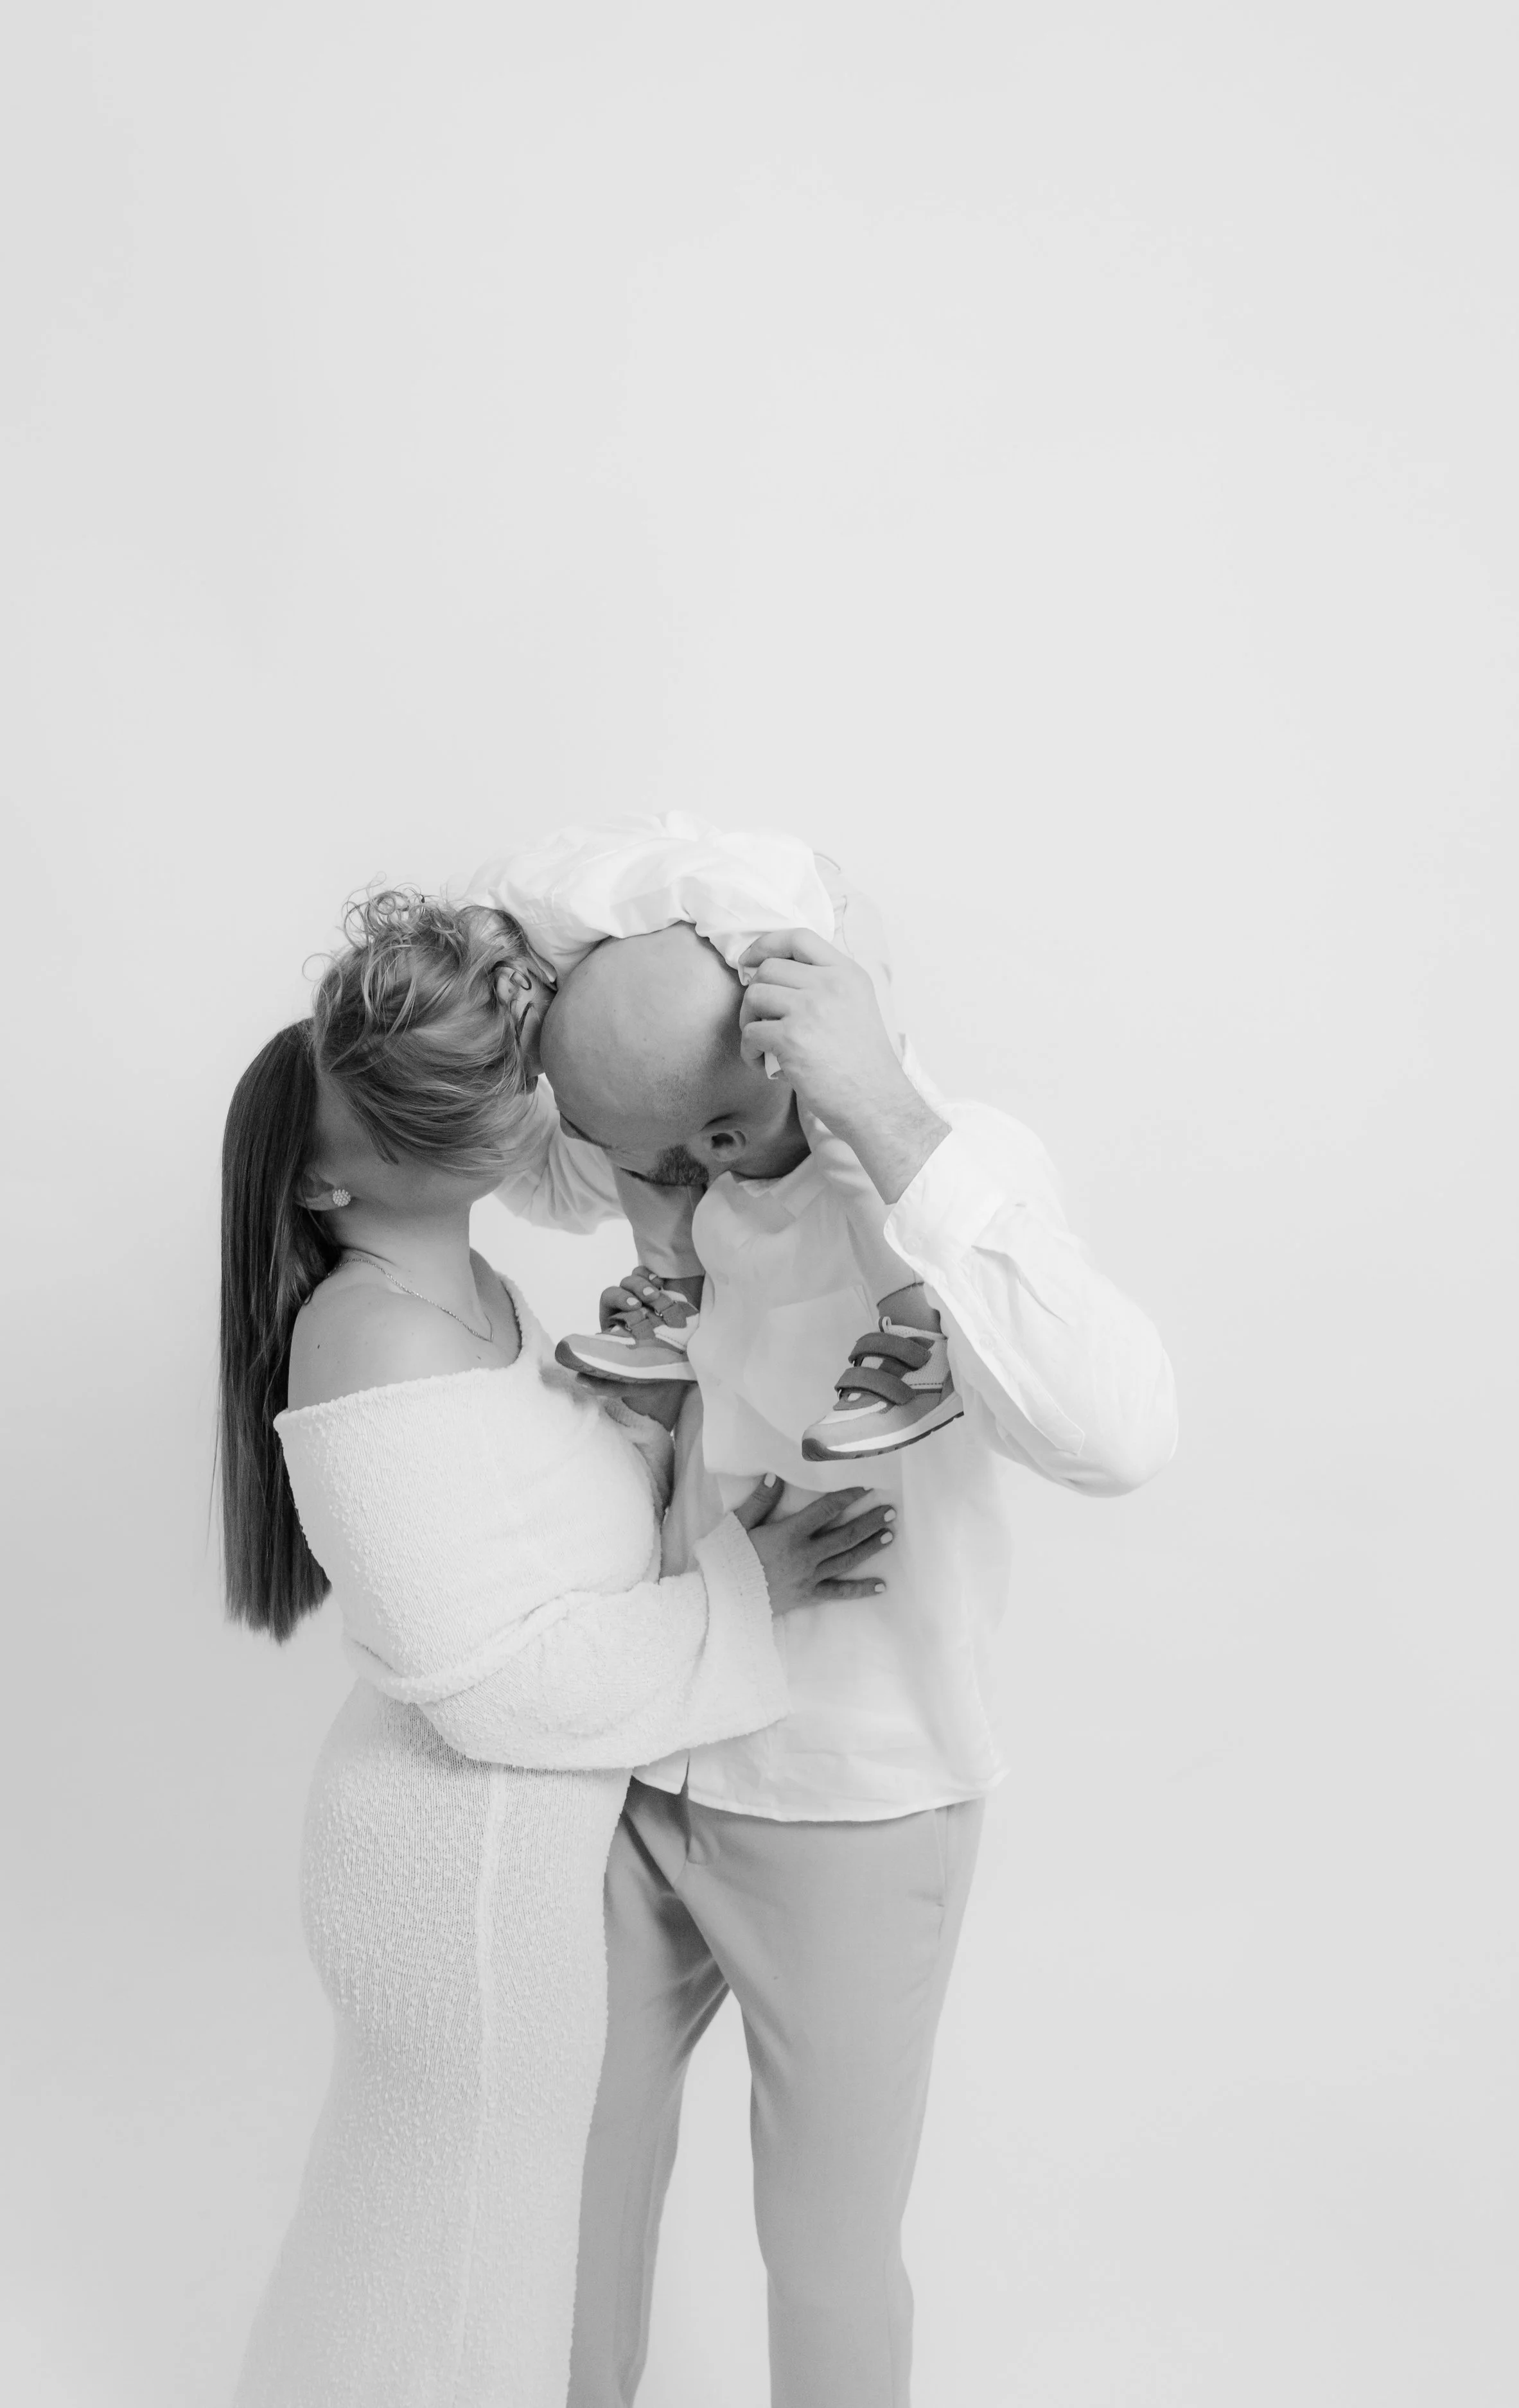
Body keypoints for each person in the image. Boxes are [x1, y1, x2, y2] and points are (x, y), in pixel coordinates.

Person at [479, 817, 1180, 2408]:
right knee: (558, 2196)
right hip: (645, 1760)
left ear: (796, 1039)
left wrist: (880, 1099)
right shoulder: (667, 1145)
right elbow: (503, 1108)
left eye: (720, 1133)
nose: (679, 1184)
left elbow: (1122, 1432)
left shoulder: (948, 1159)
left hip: (852, 1801)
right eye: (647, 1157)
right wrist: (558, 1004)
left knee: (824, 2253)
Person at [218, 887, 899, 2408]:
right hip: (452, 1862)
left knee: (473, 2257)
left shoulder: (475, 1293)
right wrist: (740, 1590)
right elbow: (483, 1681)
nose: (439, 1100)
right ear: (320, 1179)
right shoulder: (373, 1332)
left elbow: (533, 1537)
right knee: (456, 2261)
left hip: (517, 1845)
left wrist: (645, 1424)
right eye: (379, 1102)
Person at [471, 816, 960, 1459]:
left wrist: (790, 1024)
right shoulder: (539, 962)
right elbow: (566, 1163)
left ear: (516, 984)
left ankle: (916, 1331)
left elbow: (733, 905)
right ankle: (675, 1301)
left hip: (806, 919)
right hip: (694, 947)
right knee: (622, 1114)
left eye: (511, 1061)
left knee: (845, 1120)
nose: (527, 1083)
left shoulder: (567, 902)